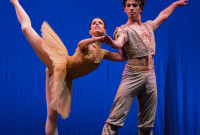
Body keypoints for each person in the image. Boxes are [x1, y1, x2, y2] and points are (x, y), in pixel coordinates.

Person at [11, 0, 126, 134]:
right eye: (94, 23)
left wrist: (116, 40)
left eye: (100, 23)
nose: (96, 24)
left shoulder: (102, 53)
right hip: (59, 63)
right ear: (90, 30)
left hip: (63, 77)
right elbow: (80, 44)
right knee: (26, 28)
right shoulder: (88, 45)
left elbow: (122, 57)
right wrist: (97, 39)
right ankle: (15, 2)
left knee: (52, 115)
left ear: (105, 30)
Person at [102, 0, 188, 134]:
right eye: (128, 6)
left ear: (140, 8)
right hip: (132, 74)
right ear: (124, 9)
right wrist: (112, 43)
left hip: (150, 75)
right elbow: (119, 42)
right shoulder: (123, 30)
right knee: (115, 119)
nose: (131, 8)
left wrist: (175, 4)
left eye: (134, 5)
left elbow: (163, 15)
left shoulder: (149, 26)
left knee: (147, 124)